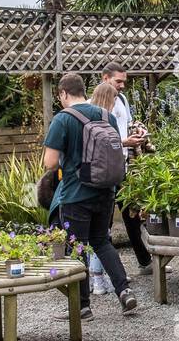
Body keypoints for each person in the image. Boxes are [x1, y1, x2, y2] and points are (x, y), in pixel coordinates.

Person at [42, 72, 137, 318]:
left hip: (76, 194)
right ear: (84, 90)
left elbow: (50, 163)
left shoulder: (63, 119)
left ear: (63, 93)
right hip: (106, 191)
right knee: (102, 241)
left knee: (77, 248)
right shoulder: (106, 116)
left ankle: (82, 306)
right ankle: (124, 291)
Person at [96, 63, 154, 274]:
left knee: (132, 213)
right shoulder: (96, 103)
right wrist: (124, 142)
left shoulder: (121, 100)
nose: (121, 86)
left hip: (122, 164)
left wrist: (138, 131)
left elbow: (127, 123)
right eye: (117, 81)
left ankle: (144, 261)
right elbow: (99, 139)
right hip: (104, 167)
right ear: (105, 79)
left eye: (124, 82)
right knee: (105, 218)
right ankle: (101, 272)